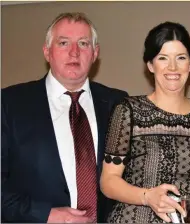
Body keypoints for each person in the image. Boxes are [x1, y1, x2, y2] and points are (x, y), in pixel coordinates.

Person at [1, 12, 128, 223]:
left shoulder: (118, 103)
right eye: (63, 43)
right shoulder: (8, 103)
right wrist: (46, 215)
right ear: (46, 52)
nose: (74, 52)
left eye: (83, 43)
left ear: (95, 53)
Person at [100, 21, 190, 223]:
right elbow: (108, 182)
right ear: (150, 65)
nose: (173, 67)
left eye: (181, 58)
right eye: (163, 58)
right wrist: (147, 196)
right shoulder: (129, 110)